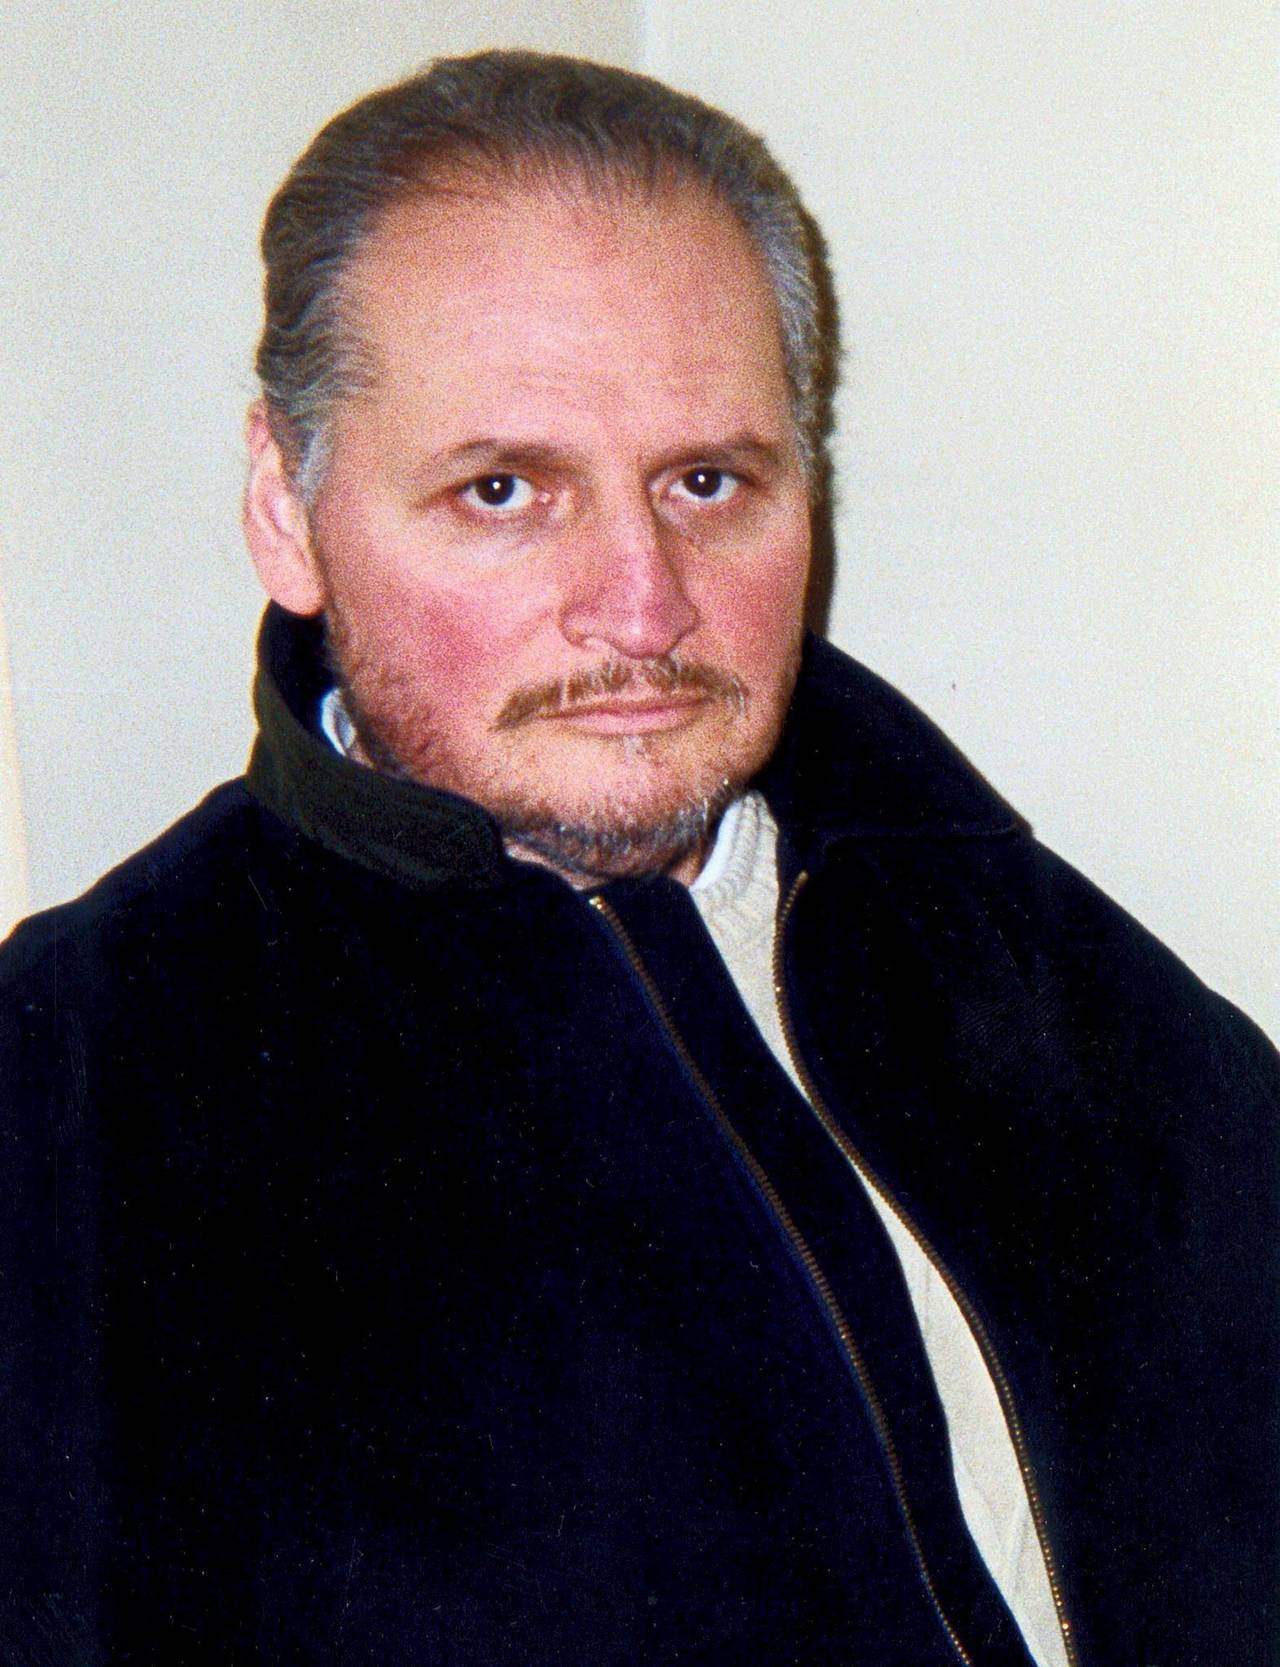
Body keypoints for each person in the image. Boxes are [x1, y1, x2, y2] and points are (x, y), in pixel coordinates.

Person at [0, 49, 1274, 1667]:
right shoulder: (76, 1083)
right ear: (285, 510)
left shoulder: (1008, 939)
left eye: (707, 481)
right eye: (504, 490)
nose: (644, 606)